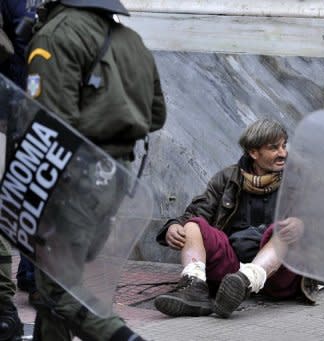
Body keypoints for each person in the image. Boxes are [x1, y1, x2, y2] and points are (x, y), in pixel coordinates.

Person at [25, 0, 166, 340]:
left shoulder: (55, 35)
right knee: (57, 279)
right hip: (119, 174)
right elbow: (157, 115)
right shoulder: (132, 40)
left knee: (59, 289)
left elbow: (49, 120)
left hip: (72, 172)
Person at [154, 118, 316, 318]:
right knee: (193, 225)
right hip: (230, 271)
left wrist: (303, 224)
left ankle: (247, 281)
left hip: (278, 275)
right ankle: (193, 288)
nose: (283, 153)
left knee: (283, 230)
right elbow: (197, 212)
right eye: (274, 148)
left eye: (284, 146)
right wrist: (174, 226)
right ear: (253, 152)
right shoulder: (227, 178)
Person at [0, 0, 39, 306]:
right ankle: (31, 274)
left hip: (23, 98)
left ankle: (31, 272)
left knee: (30, 186)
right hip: (18, 99)